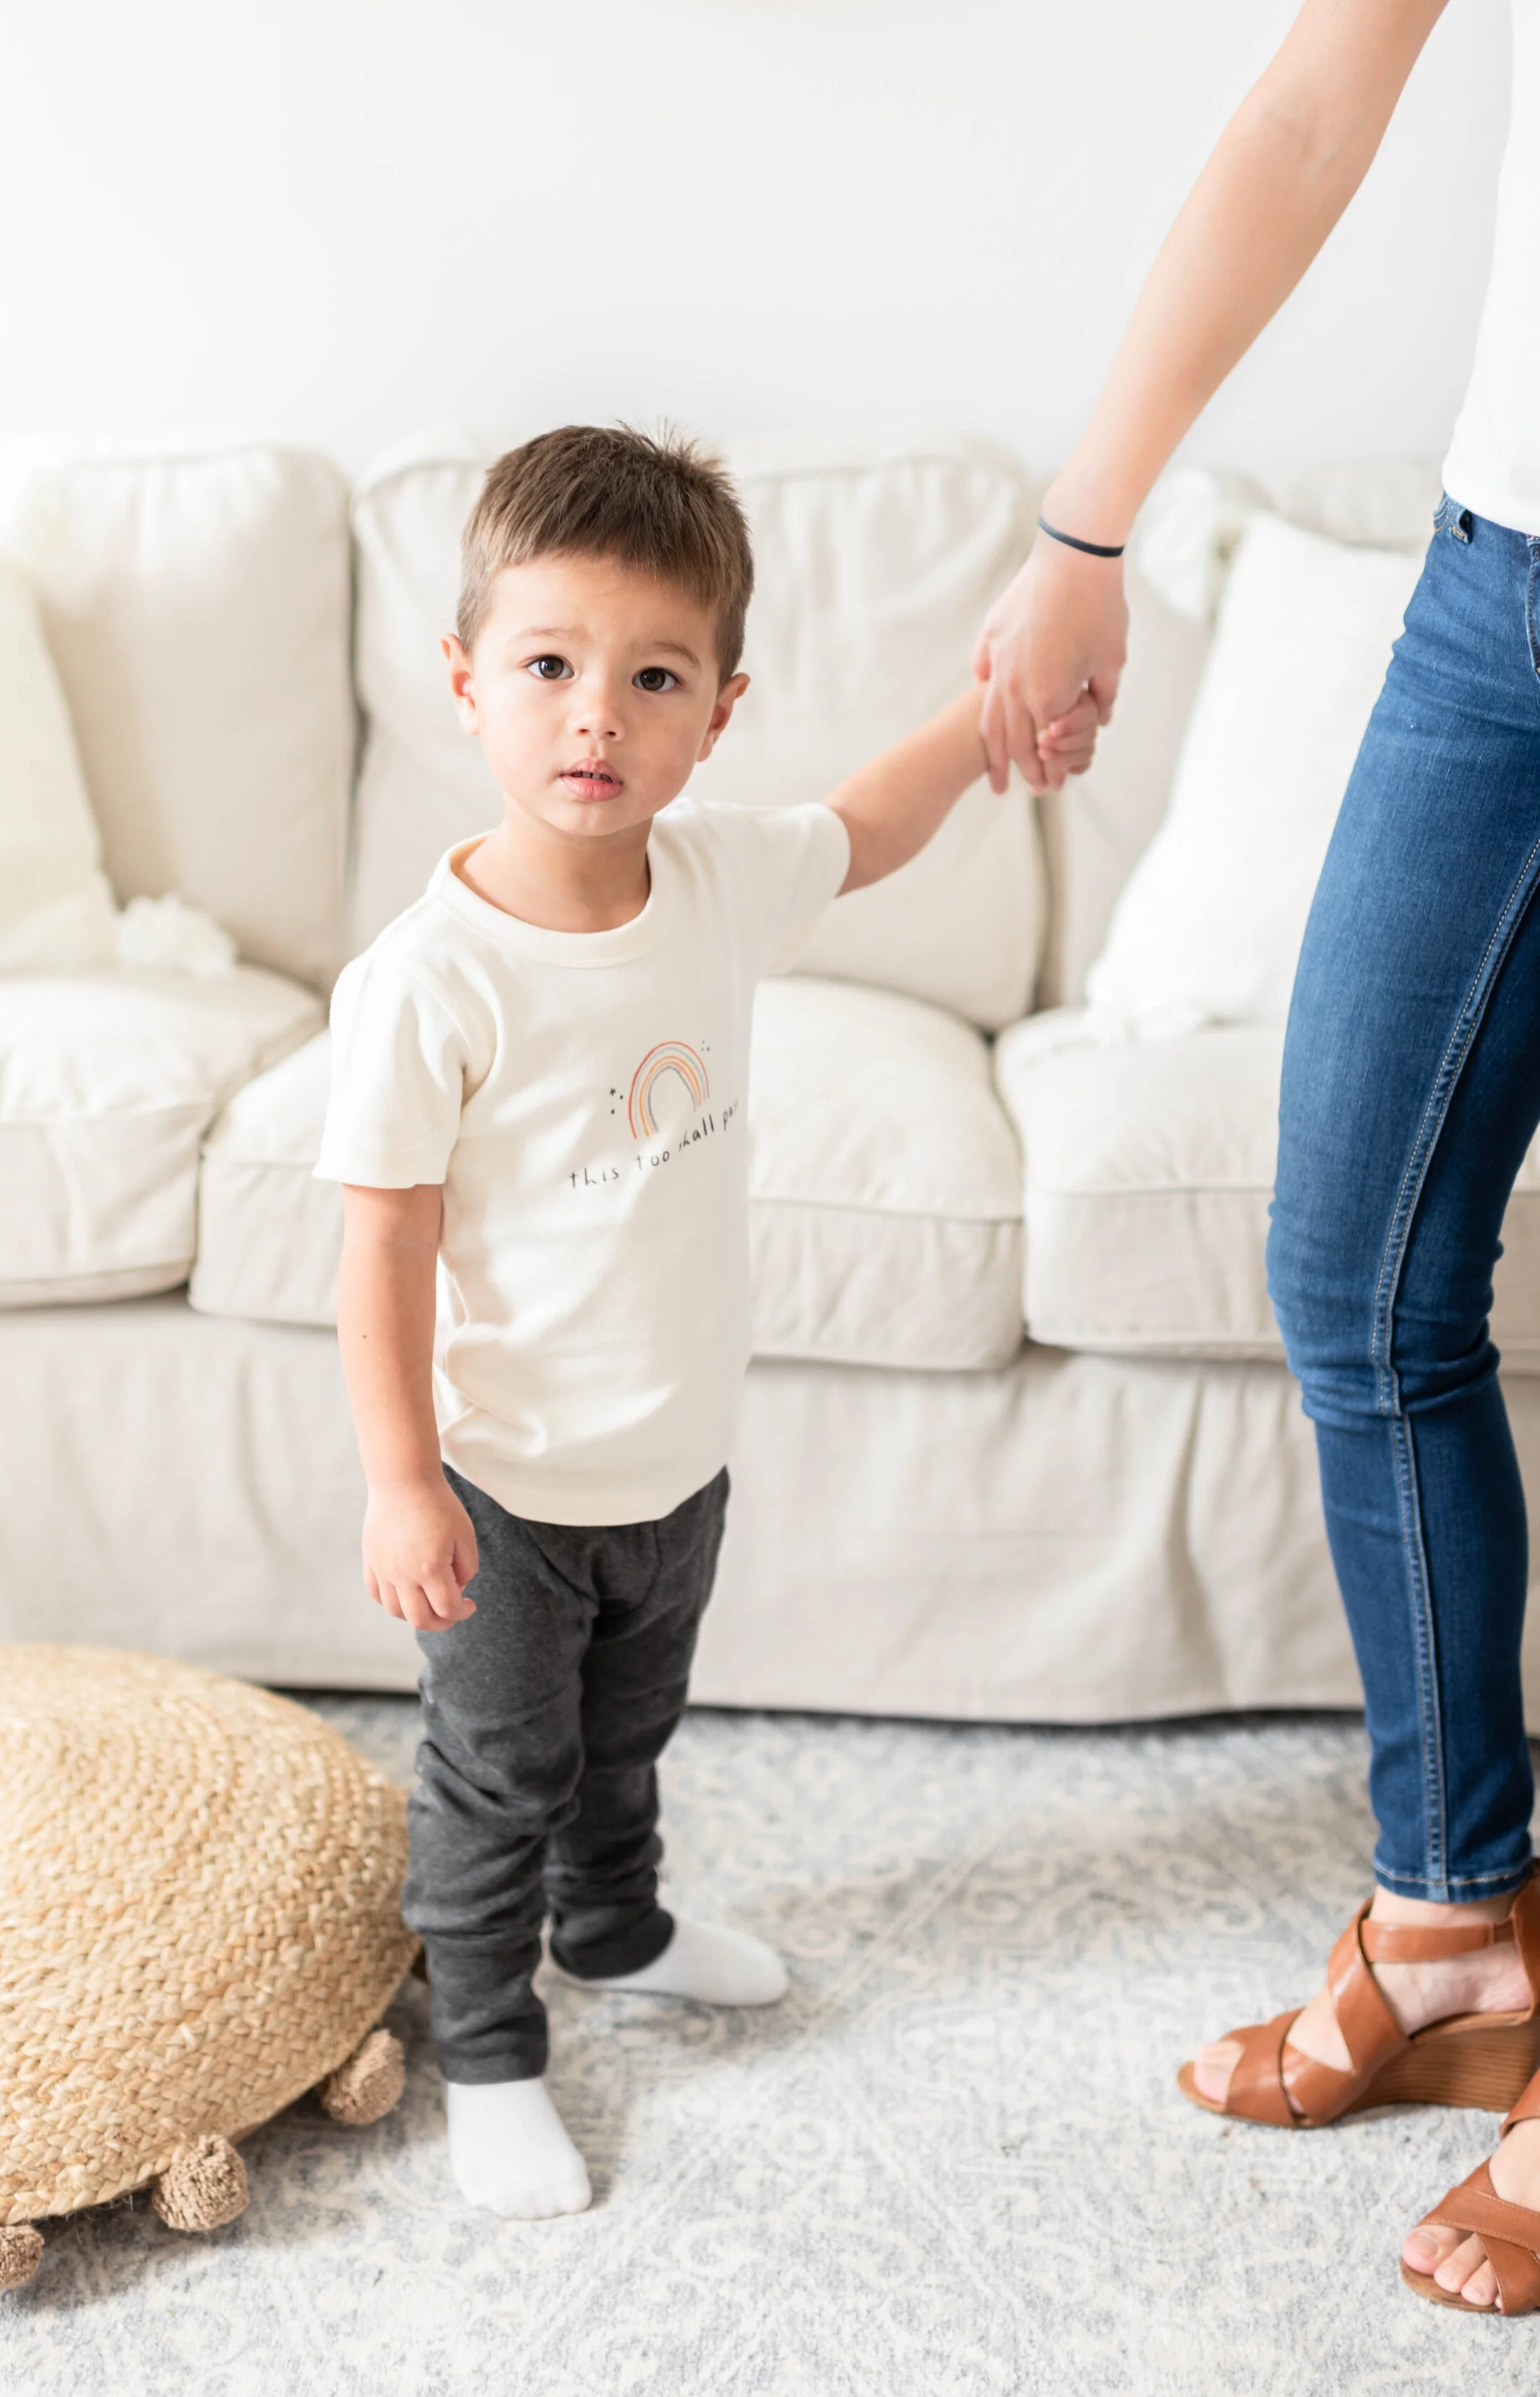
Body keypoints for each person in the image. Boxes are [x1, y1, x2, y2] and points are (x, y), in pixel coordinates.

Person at [318, 423, 1098, 2220]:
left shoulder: (721, 879)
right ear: (466, 684)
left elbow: (878, 822)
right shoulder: (429, 978)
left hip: (676, 1466)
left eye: (649, 675)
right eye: (547, 666)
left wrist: (995, 714)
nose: (595, 715)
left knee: (626, 1734)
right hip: (506, 1482)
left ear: (715, 711)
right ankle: (492, 2044)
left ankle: (618, 1924)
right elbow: (377, 1247)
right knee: (496, 1762)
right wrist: (398, 1478)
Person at [977, 0, 1540, 2314]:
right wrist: (1085, 524)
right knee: (1361, 1271)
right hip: (1507, 575)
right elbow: (1318, 92)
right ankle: (1444, 1924)